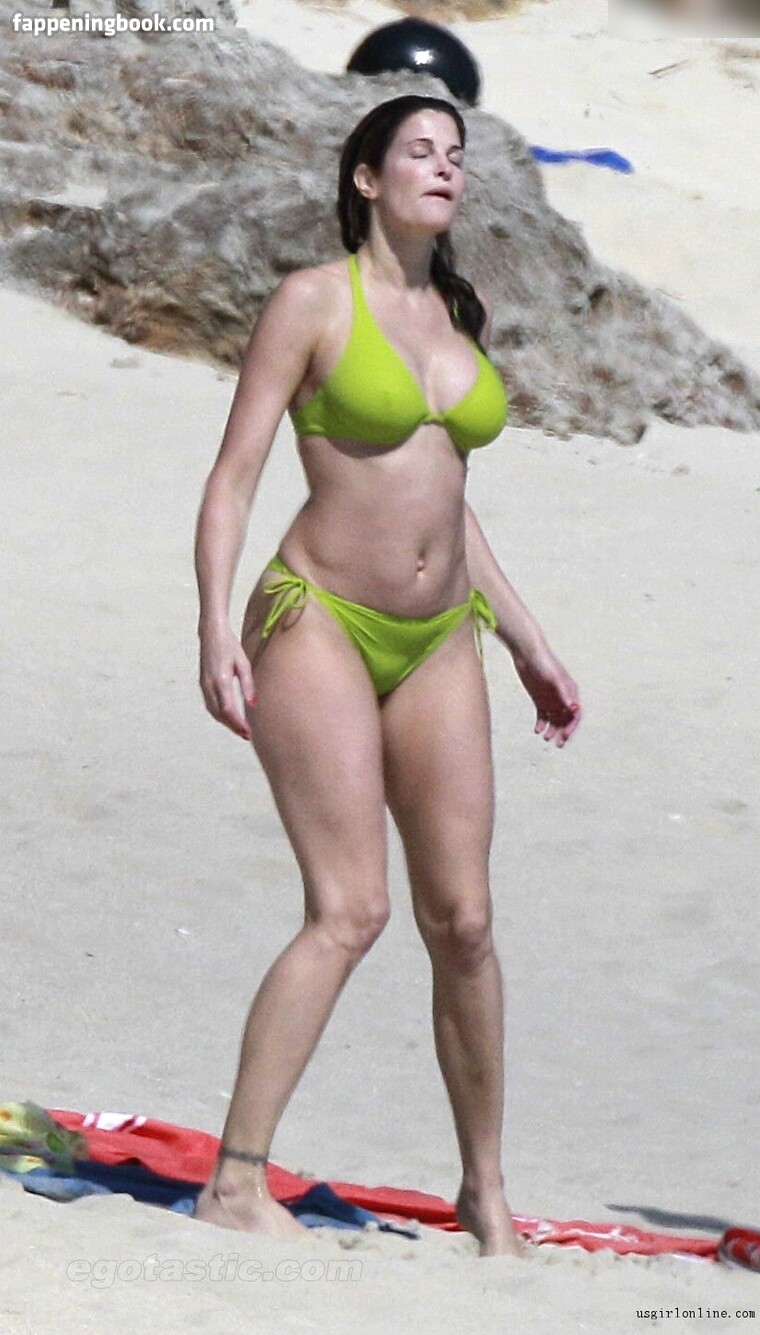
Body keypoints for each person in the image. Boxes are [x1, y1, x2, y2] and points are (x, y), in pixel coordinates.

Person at [192, 93, 581, 1257]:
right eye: (419, 151)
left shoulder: (457, 315)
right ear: (366, 178)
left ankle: (484, 1194)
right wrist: (212, 623)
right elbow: (233, 476)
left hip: (439, 634)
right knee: (350, 907)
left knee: (463, 920)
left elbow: (448, 505)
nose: (443, 168)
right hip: (316, 616)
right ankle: (235, 1181)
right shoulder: (313, 302)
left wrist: (526, 639)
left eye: (455, 155)